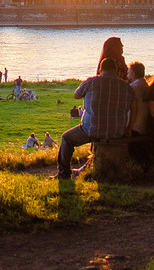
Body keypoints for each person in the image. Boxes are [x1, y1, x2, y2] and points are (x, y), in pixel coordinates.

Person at [57, 39, 134, 180]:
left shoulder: (92, 82)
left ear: (100, 69)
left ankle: (64, 174)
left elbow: (76, 95)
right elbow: (133, 106)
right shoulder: (125, 86)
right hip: (117, 131)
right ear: (116, 70)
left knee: (66, 139)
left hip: (91, 129)